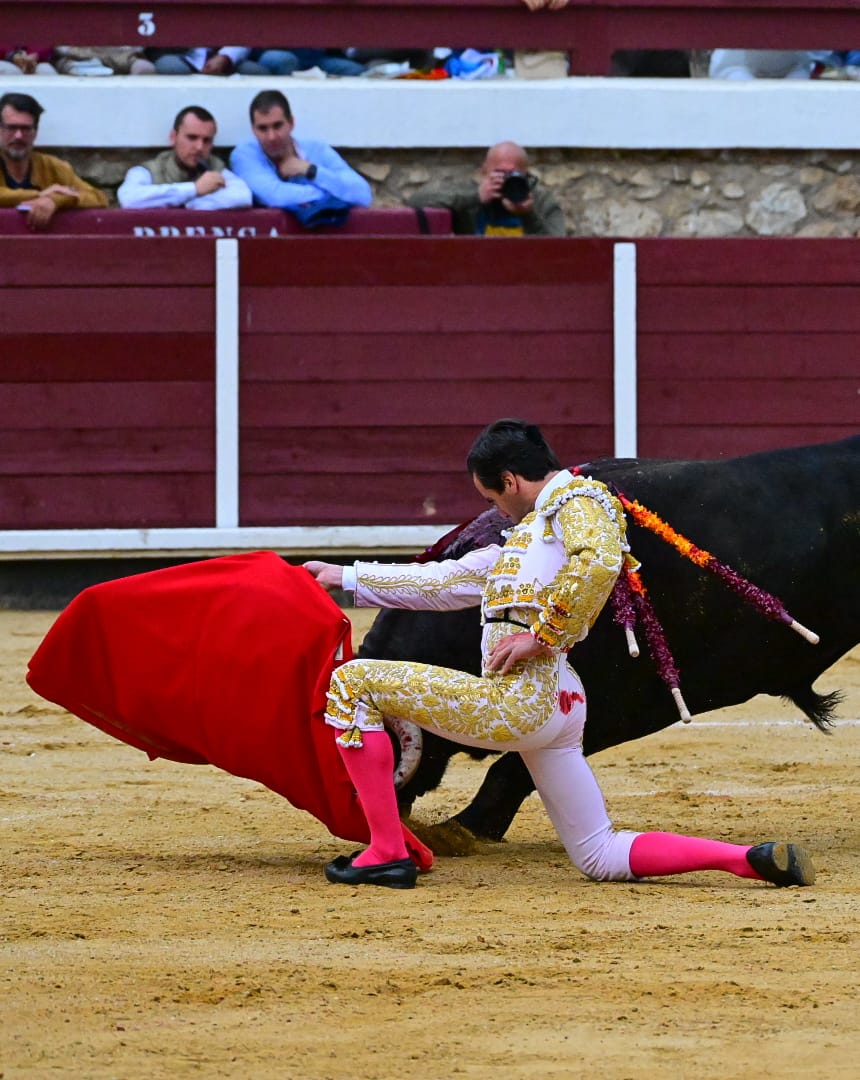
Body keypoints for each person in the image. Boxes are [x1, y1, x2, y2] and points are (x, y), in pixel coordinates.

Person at [304, 418, 816, 891]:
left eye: (492, 497)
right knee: (599, 853)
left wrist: (544, 636)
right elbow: (446, 581)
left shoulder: (577, 500)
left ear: (510, 481)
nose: (496, 510)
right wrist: (343, 576)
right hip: (556, 705)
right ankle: (747, 859)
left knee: (353, 683)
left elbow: (598, 563)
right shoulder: (534, 533)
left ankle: (386, 852)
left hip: (520, 700)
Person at [229, 89, 371, 212]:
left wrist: (311, 170)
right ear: (253, 130)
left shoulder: (317, 149)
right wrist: (333, 194)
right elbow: (275, 196)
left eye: (277, 126)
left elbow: (362, 194)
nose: (271, 137)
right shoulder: (244, 154)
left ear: (291, 123)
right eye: (262, 128)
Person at [405, 141, 566, 236]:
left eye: (513, 174)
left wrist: (528, 215)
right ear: (484, 172)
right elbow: (416, 202)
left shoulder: (541, 200)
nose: (506, 180)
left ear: (526, 175)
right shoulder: (469, 195)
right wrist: (476, 196)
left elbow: (558, 249)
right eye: (499, 173)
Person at [0, 92, 107, 231]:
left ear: (35, 132)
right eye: (11, 128)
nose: (18, 135)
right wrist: (39, 195)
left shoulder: (53, 166)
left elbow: (98, 198)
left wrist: (55, 200)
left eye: (26, 129)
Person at [117, 105, 252, 210]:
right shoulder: (149, 171)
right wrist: (194, 189)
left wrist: (191, 202)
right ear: (173, 137)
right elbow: (129, 198)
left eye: (207, 140)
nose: (199, 147)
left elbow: (242, 196)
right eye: (192, 138)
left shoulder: (215, 168)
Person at [145, 47, 267, 76]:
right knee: (171, 67)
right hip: (182, 54)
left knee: (253, 71)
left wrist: (226, 56)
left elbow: (246, 27)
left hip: (225, 54)